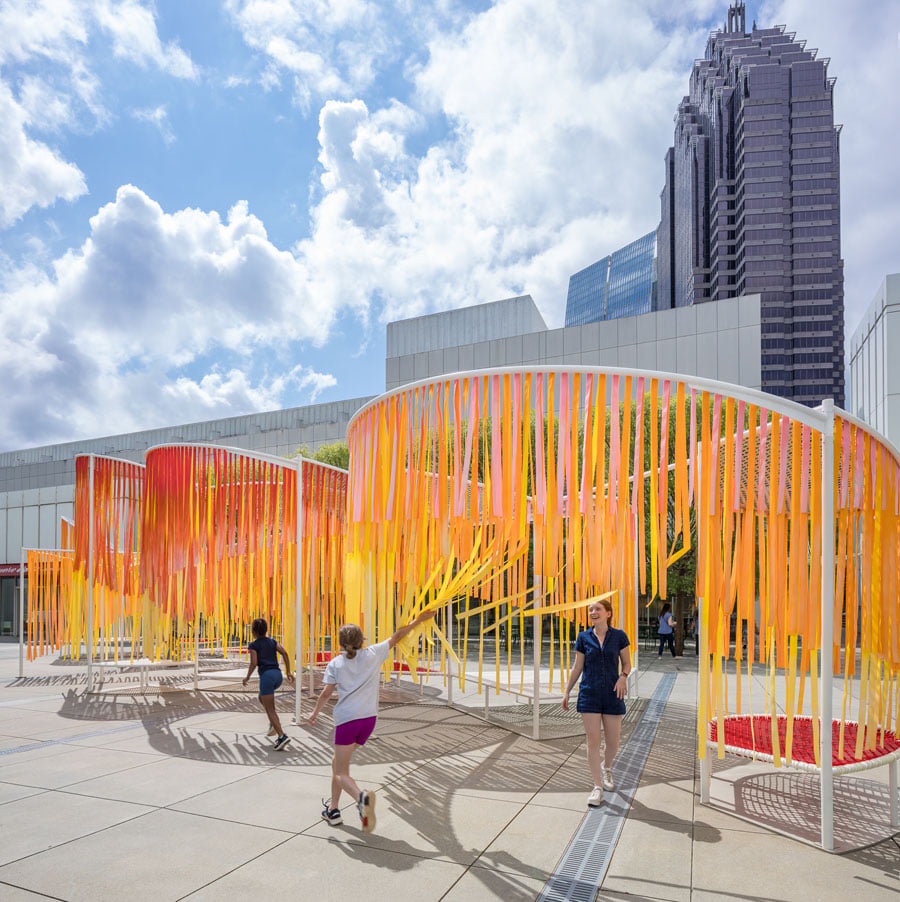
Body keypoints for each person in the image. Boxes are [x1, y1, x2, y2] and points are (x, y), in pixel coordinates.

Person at [308, 607, 436, 832]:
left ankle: (361, 799)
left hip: (347, 721)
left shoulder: (336, 664)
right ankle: (334, 810)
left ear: (340, 642)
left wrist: (314, 713)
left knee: (340, 771)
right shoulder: (374, 653)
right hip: (368, 721)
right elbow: (398, 635)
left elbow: (326, 693)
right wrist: (419, 619)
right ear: (361, 640)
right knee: (337, 764)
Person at [562, 598, 631, 807]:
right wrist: (567, 692)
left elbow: (627, 662)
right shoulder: (583, 637)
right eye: (590, 609)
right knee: (593, 741)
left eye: (598, 609)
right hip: (589, 694)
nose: (593, 612)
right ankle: (597, 786)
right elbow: (577, 667)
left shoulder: (619, 636)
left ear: (608, 613)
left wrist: (623, 677)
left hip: (613, 694)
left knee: (613, 742)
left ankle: (607, 767)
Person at [242, 617, 294, 751]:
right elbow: (285, 653)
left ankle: (282, 736)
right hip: (277, 676)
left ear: (253, 631)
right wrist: (288, 672)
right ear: (266, 630)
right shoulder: (272, 641)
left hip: (267, 677)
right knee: (261, 698)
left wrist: (247, 677)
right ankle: (273, 722)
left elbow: (254, 663)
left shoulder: (254, 645)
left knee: (270, 709)